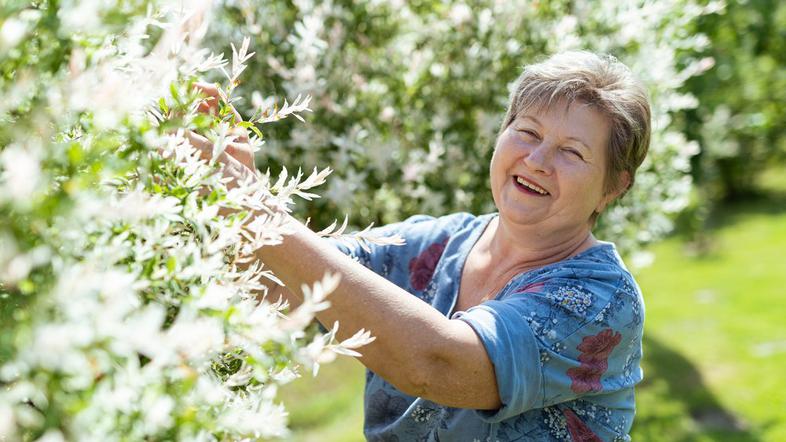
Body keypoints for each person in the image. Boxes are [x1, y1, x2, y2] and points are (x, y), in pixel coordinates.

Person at [192, 50, 649, 441]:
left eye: (572, 152)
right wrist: (226, 186)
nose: (537, 159)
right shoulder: (435, 243)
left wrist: (255, 209)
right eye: (528, 132)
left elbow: (436, 364)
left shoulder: (602, 301)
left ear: (613, 187)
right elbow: (282, 285)